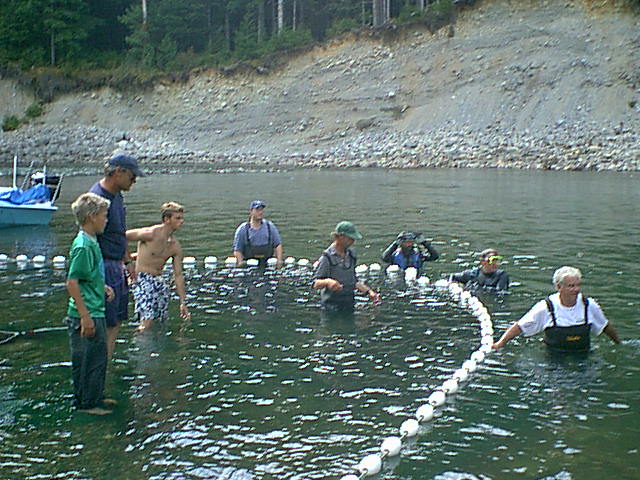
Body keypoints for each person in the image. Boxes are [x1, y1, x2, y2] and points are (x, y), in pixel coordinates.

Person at [89, 152, 145, 361]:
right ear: (119, 172)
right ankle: (98, 369)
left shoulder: (117, 196)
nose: (135, 180)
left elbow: (119, 232)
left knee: (115, 322)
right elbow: (88, 240)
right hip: (102, 267)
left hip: (116, 265)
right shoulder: (96, 199)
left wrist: (128, 260)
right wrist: (96, 278)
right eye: (132, 176)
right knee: (103, 323)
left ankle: (106, 366)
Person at [65, 193, 115, 415]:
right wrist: (85, 316)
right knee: (89, 361)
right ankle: (87, 405)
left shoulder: (91, 241)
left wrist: (101, 286)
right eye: (104, 215)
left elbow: (88, 275)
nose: (106, 220)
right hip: (87, 313)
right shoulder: (83, 246)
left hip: (95, 308)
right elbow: (72, 282)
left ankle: (94, 397)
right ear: (92, 217)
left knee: (97, 358)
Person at [493, 266, 621, 352]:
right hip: (555, 358)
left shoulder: (589, 305)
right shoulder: (546, 307)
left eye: (578, 285)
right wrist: (500, 344)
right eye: (571, 286)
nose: (576, 289)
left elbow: (605, 326)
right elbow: (519, 326)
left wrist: (619, 344)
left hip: (583, 355)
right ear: (559, 287)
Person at [126, 202, 191, 331]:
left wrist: (183, 302)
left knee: (160, 321)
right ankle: (139, 343)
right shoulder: (151, 233)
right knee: (147, 320)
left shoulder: (175, 246)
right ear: (167, 219)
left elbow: (178, 275)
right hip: (142, 279)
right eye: (178, 218)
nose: (182, 221)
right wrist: (128, 261)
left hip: (159, 282)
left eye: (182, 218)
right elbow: (123, 237)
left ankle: (156, 343)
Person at [313, 221, 381, 316]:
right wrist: (328, 282)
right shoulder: (326, 257)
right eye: (350, 238)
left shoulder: (351, 255)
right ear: (340, 237)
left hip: (349, 304)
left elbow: (354, 282)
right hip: (331, 307)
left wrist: (369, 292)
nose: (353, 241)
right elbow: (316, 284)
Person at [233, 200, 283, 267]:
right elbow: (237, 250)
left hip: (267, 264)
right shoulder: (242, 229)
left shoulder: (270, 226)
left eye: (261, 210)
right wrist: (241, 263)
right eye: (257, 210)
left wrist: (279, 261)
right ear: (251, 211)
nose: (260, 212)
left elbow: (278, 245)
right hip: (249, 264)